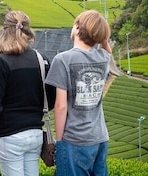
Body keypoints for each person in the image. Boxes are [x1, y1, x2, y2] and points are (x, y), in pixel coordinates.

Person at [0, 10, 55, 176]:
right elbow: (50, 98)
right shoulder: (41, 58)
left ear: (4, 30)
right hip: (35, 133)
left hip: (9, 135)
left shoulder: (1, 61)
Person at [45, 10, 112, 176]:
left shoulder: (63, 59)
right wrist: (102, 37)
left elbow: (60, 106)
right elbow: (107, 50)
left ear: (76, 28)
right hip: (100, 138)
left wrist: (59, 142)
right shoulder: (103, 58)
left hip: (74, 140)